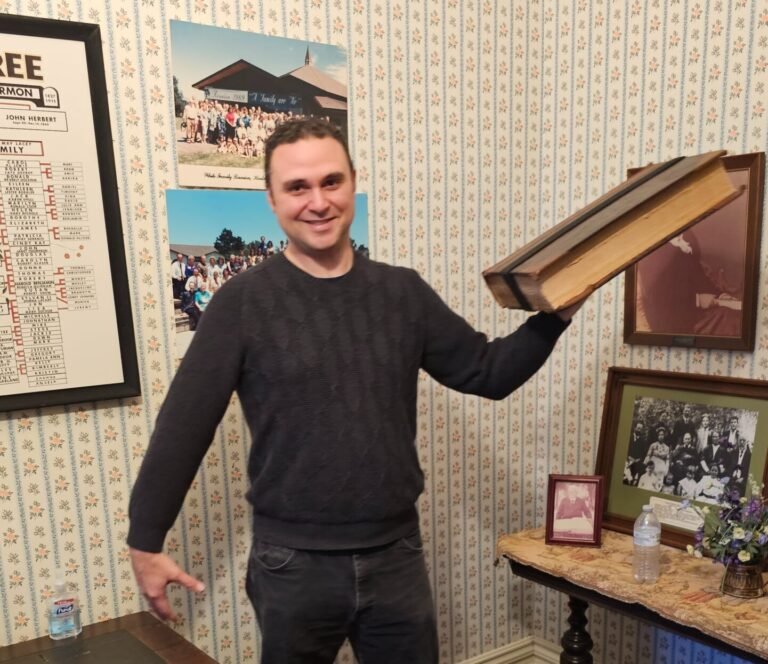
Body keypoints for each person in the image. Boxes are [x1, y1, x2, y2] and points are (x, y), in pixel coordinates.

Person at [127, 118, 584, 664]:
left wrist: (556, 316)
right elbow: (184, 424)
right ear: (272, 200)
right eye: (297, 188)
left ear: (353, 183)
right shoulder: (242, 302)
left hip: (397, 557)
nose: (317, 202)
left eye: (331, 181)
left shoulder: (402, 293)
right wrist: (145, 540)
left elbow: (487, 372)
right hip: (291, 564)